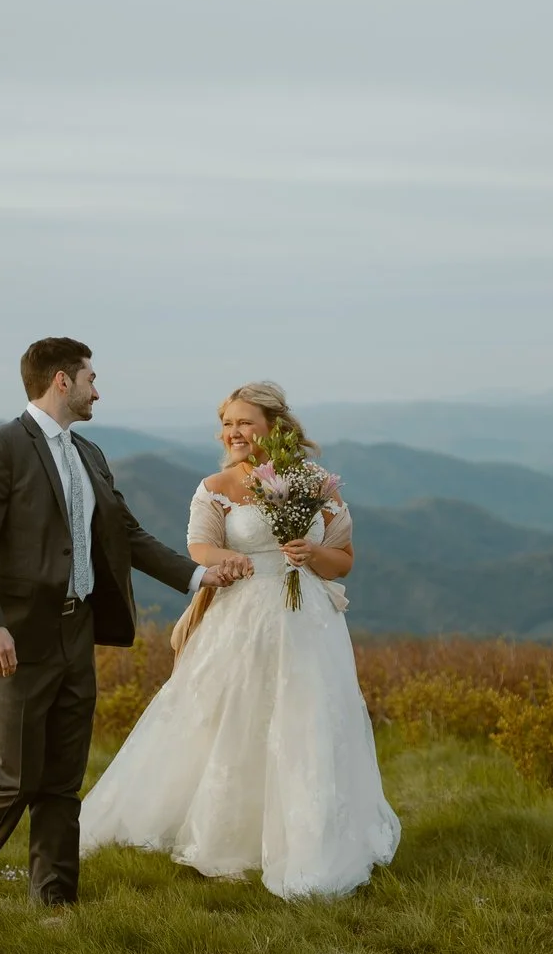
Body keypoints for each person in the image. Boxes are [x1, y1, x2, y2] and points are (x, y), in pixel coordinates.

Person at [0, 337, 249, 906]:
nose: (96, 391)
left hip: (77, 629)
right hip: (16, 634)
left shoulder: (90, 454)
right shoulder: (0, 446)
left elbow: (126, 534)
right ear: (62, 380)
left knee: (63, 777)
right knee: (16, 774)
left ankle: (54, 896)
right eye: (90, 379)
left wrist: (199, 576)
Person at [78, 382, 400, 899]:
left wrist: (311, 555)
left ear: (275, 427)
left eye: (245, 422)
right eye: (227, 423)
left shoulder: (315, 483)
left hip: (308, 622)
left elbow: (343, 560)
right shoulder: (216, 487)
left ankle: (312, 839)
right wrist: (227, 560)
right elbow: (199, 546)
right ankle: (228, 836)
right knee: (232, 721)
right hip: (242, 617)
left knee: (309, 720)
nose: (234, 432)